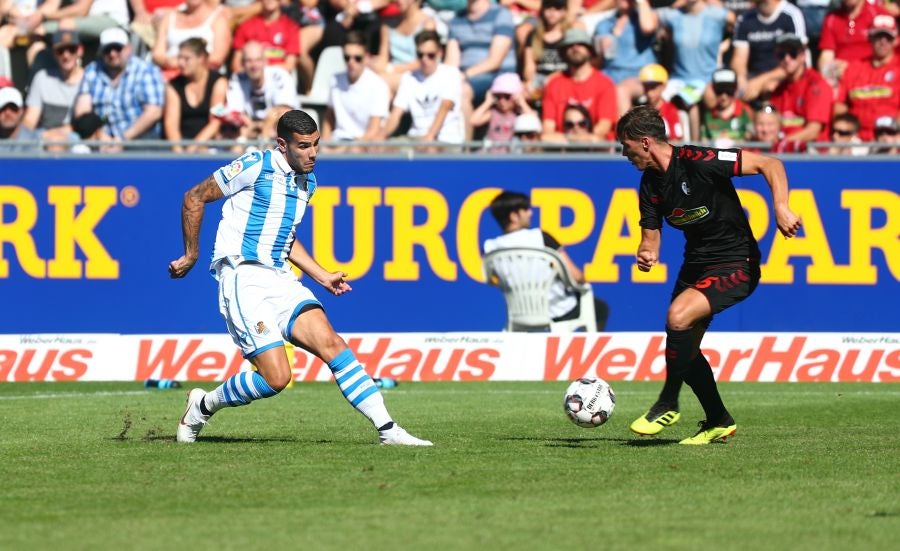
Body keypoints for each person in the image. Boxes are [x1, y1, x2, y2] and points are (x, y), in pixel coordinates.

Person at [169, 109, 432, 447]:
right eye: (304, 146)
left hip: (280, 278)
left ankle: (389, 430)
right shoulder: (254, 165)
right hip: (242, 276)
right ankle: (202, 406)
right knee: (276, 378)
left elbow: (286, 235)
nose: (313, 154)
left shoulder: (307, 182)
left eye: (317, 145)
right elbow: (194, 197)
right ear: (283, 145)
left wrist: (321, 275)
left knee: (333, 344)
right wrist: (191, 254)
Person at [618, 104, 802, 444]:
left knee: (677, 317)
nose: (623, 154)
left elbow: (769, 163)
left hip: (736, 262)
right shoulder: (649, 184)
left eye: (625, 146)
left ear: (644, 142)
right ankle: (718, 420)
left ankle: (667, 402)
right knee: (684, 349)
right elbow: (650, 238)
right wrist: (647, 253)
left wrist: (781, 206)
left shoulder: (698, 159)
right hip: (696, 265)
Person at [483, 190, 610, 331]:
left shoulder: (489, 248)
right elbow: (577, 276)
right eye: (525, 210)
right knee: (600, 308)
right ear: (514, 216)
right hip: (561, 311)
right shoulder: (541, 237)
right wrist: (583, 280)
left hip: (518, 317)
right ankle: (585, 352)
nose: (530, 213)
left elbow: (494, 281)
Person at [73, 27, 166, 150]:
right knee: (77, 148)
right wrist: (100, 135)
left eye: (117, 48)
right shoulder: (92, 71)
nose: (112, 54)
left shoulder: (146, 71)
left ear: (129, 48)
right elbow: (82, 112)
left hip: (140, 140)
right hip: (102, 140)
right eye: (107, 49)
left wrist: (122, 140)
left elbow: (154, 112)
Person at [381, 29, 464, 148]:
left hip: (445, 139)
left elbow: (445, 106)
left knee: (429, 151)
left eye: (430, 55)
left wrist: (429, 136)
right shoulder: (408, 78)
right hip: (415, 138)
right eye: (420, 55)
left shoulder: (451, 74)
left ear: (440, 53)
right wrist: (380, 138)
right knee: (384, 150)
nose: (425, 59)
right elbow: (396, 113)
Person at [540, 28, 617, 143]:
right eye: (570, 45)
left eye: (581, 44)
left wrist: (571, 140)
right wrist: (574, 140)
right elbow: (547, 131)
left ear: (590, 50)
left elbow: (602, 129)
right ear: (564, 52)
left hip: (597, 154)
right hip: (562, 153)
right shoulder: (554, 84)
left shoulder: (605, 84)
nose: (575, 48)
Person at [833, 14, 900, 142]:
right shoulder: (853, 68)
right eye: (878, 36)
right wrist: (846, 132)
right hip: (855, 139)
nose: (883, 42)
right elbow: (840, 105)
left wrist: (894, 135)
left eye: (888, 37)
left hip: (889, 137)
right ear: (870, 38)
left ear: (895, 40)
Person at [322, 30, 391, 150]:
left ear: (367, 57)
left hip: (364, 145)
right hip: (338, 140)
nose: (351, 62)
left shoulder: (378, 85)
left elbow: (374, 130)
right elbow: (329, 117)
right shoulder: (335, 79)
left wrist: (346, 149)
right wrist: (324, 143)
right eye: (347, 57)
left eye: (357, 58)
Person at [163, 37, 227, 153]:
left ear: (201, 58)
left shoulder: (218, 82)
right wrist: (179, 152)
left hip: (208, 145)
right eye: (179, 58)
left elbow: (215, 121)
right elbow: (171, 124)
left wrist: (192, 149)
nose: (181, 63)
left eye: (186, 59)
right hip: (182, 144)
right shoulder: (173, 85)